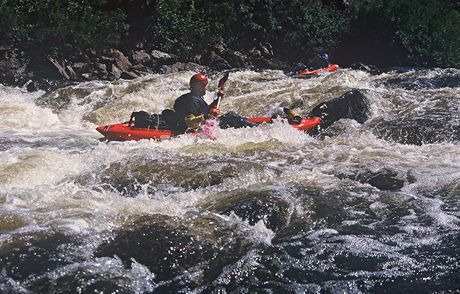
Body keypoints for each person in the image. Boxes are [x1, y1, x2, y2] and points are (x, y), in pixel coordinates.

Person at [171, 73, 255, 133]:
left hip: (203, 124)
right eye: (204, 87)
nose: (205, 89)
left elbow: (206, 110)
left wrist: (218, 99)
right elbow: (190, 122)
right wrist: (208, 116)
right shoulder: (191, 101)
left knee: (231, 116)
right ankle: (257, 127)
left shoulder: (193, 98)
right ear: (198, 87)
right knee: (231, 116)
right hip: (199, 128)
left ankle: (249, 123)